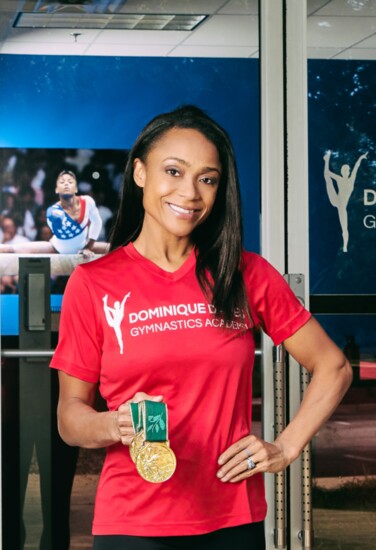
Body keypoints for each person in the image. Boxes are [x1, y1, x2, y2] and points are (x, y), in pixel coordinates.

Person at [50, 105, 352, 550]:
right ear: (139, 173)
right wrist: (116, 425)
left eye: (207, 179)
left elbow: (333, 366)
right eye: (173, 171)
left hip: (232, 517)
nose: (189, 192)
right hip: (131, 520)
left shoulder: (245, 274)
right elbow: (70, 417)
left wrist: (284, 449)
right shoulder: (94, 283)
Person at [0, 170, 108, 257]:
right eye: (62, 182)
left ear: (76, 188)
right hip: (55, 248)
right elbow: (65, 236)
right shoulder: (53, 211)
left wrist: (89, 246)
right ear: (56, 189)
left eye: (70, 182)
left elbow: (97, 222)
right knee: (14, 249)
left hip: (83, 246)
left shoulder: (88, 201)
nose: (66, 184)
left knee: (114, 248)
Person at [323, 149, 368, 252]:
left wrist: (361, 158)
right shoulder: (339, 178)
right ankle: (326, 160)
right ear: (342, 172)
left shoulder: (351, 180)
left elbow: (356, 168)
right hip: (335, 199)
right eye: (343, 170)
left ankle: (345, 247)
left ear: (348, 172)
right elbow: (327, 174)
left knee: (345, 229)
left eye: (346, 170)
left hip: (341, 206)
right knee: (328, 179)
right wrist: (327, 162)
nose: (345, 172)